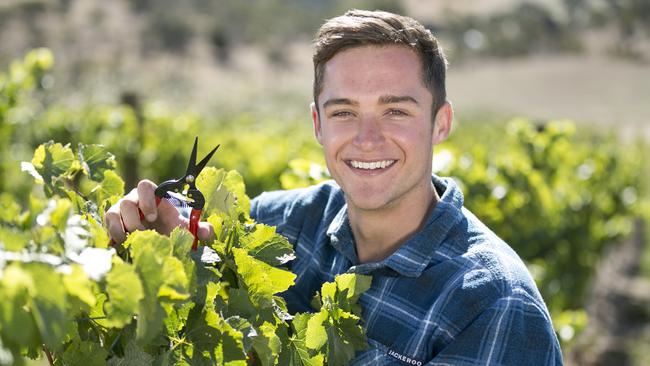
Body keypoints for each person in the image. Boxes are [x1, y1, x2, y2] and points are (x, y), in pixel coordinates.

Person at [107, 9, 563, 365]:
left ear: (440, 123)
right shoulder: (278, 224)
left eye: (395, 111)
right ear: (318, 124)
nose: (367, 139)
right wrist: (158, 232)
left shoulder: (493, 306)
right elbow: (197, 244)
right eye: (344, 111)